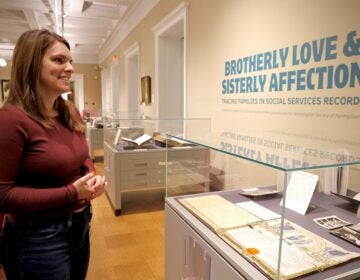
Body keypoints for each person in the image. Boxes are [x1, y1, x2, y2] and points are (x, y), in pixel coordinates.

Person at [0, 29, 107, 280]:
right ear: (31, 64)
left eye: (70, 61)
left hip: (80, 226)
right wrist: (71, 193)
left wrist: (92, 176)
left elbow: (83, 157)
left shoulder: (69, 112)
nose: (69, 68)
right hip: (38, 238)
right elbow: (2, 195)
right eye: (59, 60)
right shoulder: (11, 120)